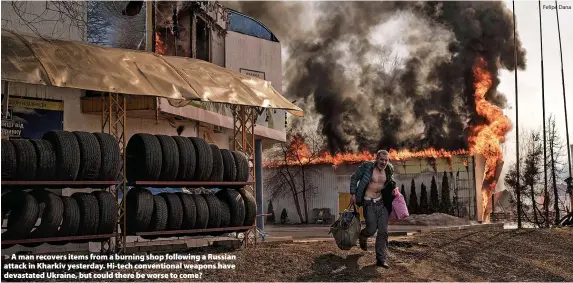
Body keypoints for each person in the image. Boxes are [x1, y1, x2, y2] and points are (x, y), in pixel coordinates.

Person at [349, 149, 396, 268]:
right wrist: (353, 193)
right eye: (381, 159)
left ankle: (381, 259)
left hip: (381, 203)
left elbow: (390, 181)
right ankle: (363, 235)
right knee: (371, 229)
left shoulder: (389, 169)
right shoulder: (367, 167)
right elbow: (354, 178)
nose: (384, 162)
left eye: (386, 160)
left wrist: (393, 188)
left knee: (383, 231)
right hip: (368, 202)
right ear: (376, 159)